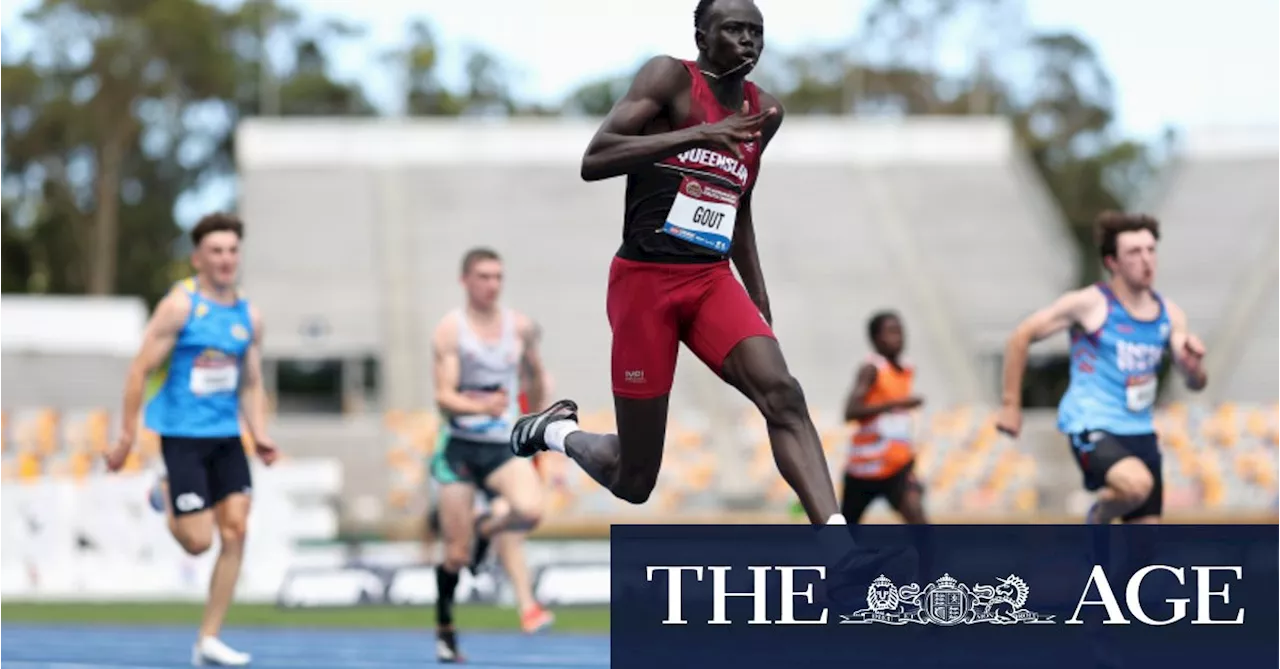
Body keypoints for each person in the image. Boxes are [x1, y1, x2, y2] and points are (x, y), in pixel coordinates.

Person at [509, 0, 902, 595]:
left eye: (757, 32)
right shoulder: (668, 78)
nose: (749, 41)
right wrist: (696, 133)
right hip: (644, 283)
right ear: (702, 35)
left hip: (710, 278)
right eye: (735, 30)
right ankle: (556, 432)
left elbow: (737, 201)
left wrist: (758, 291)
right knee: (635, 479)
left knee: (783, 393)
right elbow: (595, 158)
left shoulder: (765, 111)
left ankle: (838, 547)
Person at [107, 213, 277, 667]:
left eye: (232, 250)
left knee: (237, 529)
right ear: (198, 258)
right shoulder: (180, 307)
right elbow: (139, 369)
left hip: (226, 437)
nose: (225, 259)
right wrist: (125, 436)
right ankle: (164, 493)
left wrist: (259, 432)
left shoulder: (249, 316)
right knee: (199, 542)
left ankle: (209, 638)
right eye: (216, 251)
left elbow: (251, 382)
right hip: (182, 436)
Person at [996, 211, 1207, 525]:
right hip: (1093, 424)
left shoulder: (1170, 314)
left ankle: (1105, 563)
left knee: (1145, 553)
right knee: (1137, 485)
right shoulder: (1090, 304)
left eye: (1151, 250)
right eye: (1134, 252)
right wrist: (1011, 404)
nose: (1146, 260)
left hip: (1141, 432)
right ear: (1112, 263)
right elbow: (1020, 336)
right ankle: (1099, 515)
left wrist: (1193, 367)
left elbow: (1194, 382)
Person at [431, 248, 553, 662]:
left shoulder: (517, 328)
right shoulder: (451, 330)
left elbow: (535, 387)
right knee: (455, 555)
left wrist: (537, 383)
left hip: (502, 444)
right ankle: (446, 628)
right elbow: (443, 397)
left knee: (531, 509)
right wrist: (481, 407)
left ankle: (488, 526)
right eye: (483, 276)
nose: (492, 285)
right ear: (465, 280)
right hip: (461, 448)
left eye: (498, 277)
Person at [842, 311, 928, 525]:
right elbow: (850, 411)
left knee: (917, 518)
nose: (898, 337)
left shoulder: (907, 368)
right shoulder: (871, 369)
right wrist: (896, 404)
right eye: (890, 332)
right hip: (865, 469)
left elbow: (898, 422)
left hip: (896, 467)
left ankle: (930, 559)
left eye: (900, 332)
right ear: (874, 339)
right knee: (845, 530)